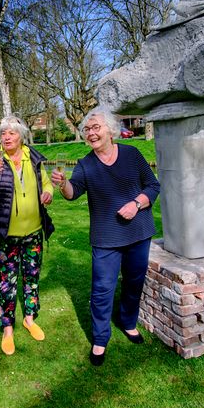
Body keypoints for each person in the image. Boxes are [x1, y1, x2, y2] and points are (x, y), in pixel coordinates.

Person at [51, 107, 160, 366]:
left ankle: (129, 322)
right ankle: (100, 339)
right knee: (102, 290)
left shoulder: (132, 155)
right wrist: (62, 183)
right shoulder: (85, 164)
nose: (91, 133)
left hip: (138, 231)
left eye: (95, 127)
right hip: (106, 237)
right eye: (87, 129)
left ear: (110, 130)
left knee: (134, 282)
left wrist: (136, 204)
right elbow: (72, 192)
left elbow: (153, 185)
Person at [0, 115, 54, 356]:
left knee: (31, 277)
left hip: (33, 232)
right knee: (8, 281)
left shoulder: (33, 157)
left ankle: (29, 319)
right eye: (3, 133)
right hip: (5, 234)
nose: (7, 137)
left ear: (21, 135)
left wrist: (49, 193)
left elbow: (47, 183)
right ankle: (7, 328)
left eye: (11, 133)